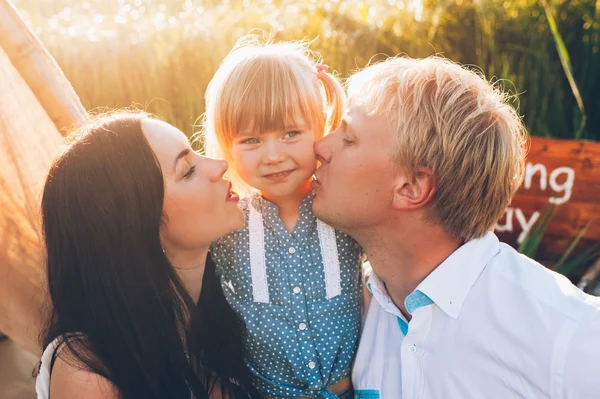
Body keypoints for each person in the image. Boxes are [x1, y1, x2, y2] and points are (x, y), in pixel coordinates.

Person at [311, 56, 600, 398]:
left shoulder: (570, 333)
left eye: (349, 138)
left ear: (412, 188)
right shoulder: (353, 308)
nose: (320, 147)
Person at [36, 112, 259, 399]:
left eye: (196, 151)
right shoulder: (91, 374)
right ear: (137, 224)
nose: (219, 165)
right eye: (188, 170)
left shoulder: (234, 309)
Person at [201, 34, 362, 399]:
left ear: (320, 130)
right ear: (227, 145)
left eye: (291, 133)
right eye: (251, 141)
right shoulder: (227, 227)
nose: (272, 155)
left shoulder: (345, 210)